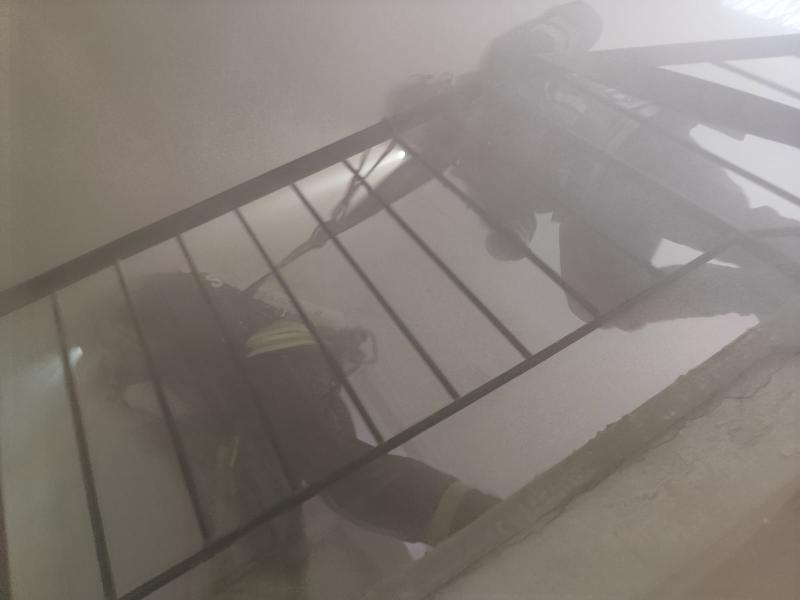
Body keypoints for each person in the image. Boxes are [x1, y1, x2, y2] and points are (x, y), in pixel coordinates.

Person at [285, 0, 800, 329]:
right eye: (416, 132)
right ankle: (766, 292)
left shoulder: (500, 67)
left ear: (437, 88)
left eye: (419, 117)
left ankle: (782, 280)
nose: (426, 135)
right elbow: (497, 207)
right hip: (592, 201)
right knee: (601, 297)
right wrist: (506, 230)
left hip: (636, 148)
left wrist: (544, 39)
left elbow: (583, 18)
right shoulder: (476, 160)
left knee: (728, 226)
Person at [96, 270, 499, 597]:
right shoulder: (174, 323)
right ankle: (271, 574)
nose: (120, 348)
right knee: (318, 475)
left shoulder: (160, 301)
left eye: (117, 341)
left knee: (334, 471)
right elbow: (213, 393)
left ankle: (471, 517)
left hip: (275, 355)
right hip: (277, 362)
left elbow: (210, 377)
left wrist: (133, 390)